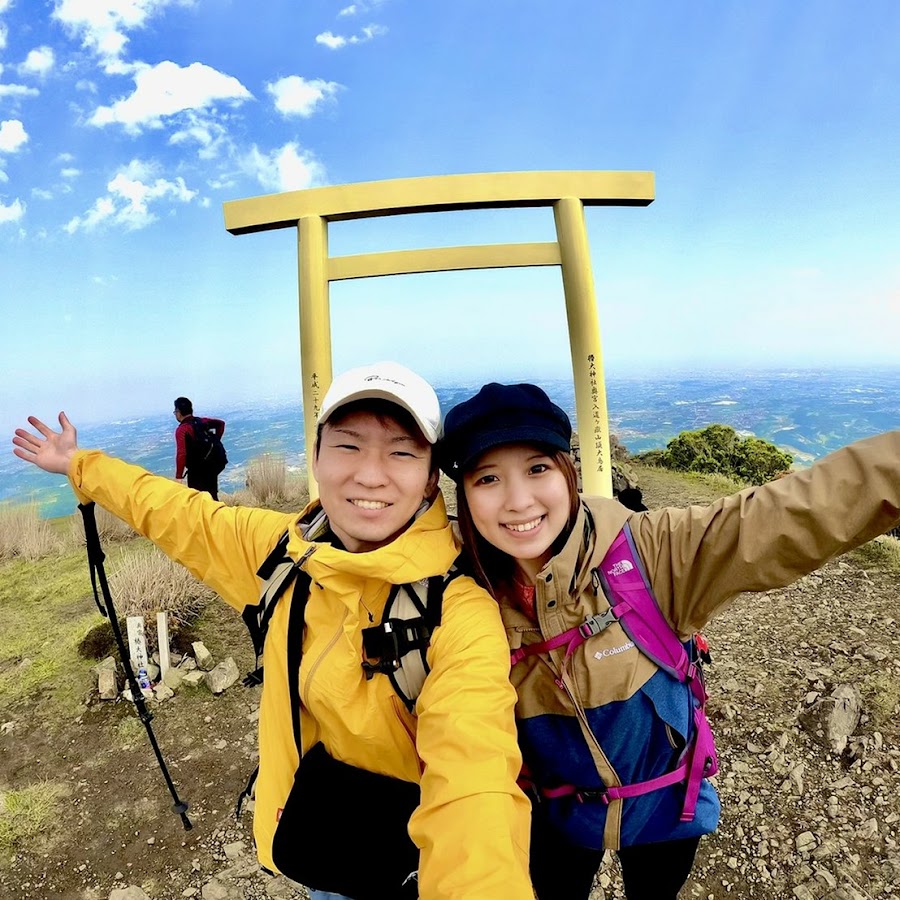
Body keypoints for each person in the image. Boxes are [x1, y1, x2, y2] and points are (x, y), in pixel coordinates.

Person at [12, 363, 533, 900]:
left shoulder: (458, 610)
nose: (371, 474)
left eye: (401, 452)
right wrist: (78, 464)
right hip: (321, 838)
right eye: (348, 446)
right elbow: (177, 513)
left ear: (430, 477)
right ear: (315, 458)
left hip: (412, 867)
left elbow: (477, 782)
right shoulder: (283, 554)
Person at [438, 381, 900, 900]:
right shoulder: (460, 594)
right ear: (465, 494)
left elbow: (787, 512)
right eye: (488, 478)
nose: (518, 500)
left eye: (537, 468)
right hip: (553, 817)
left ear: (567, 473)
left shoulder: (651, 555)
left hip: (665, 807)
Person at [173, 396, 226, 499]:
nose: (175, 414)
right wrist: (216, 441)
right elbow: (221, 424)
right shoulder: (202, 421)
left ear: (179, 412)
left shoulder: (183, 429)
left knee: (197, 500)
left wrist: (179, 477)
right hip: (213, 464)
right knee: (212, 496)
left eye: (175, 411)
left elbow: (181, 454)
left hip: (197, 470)